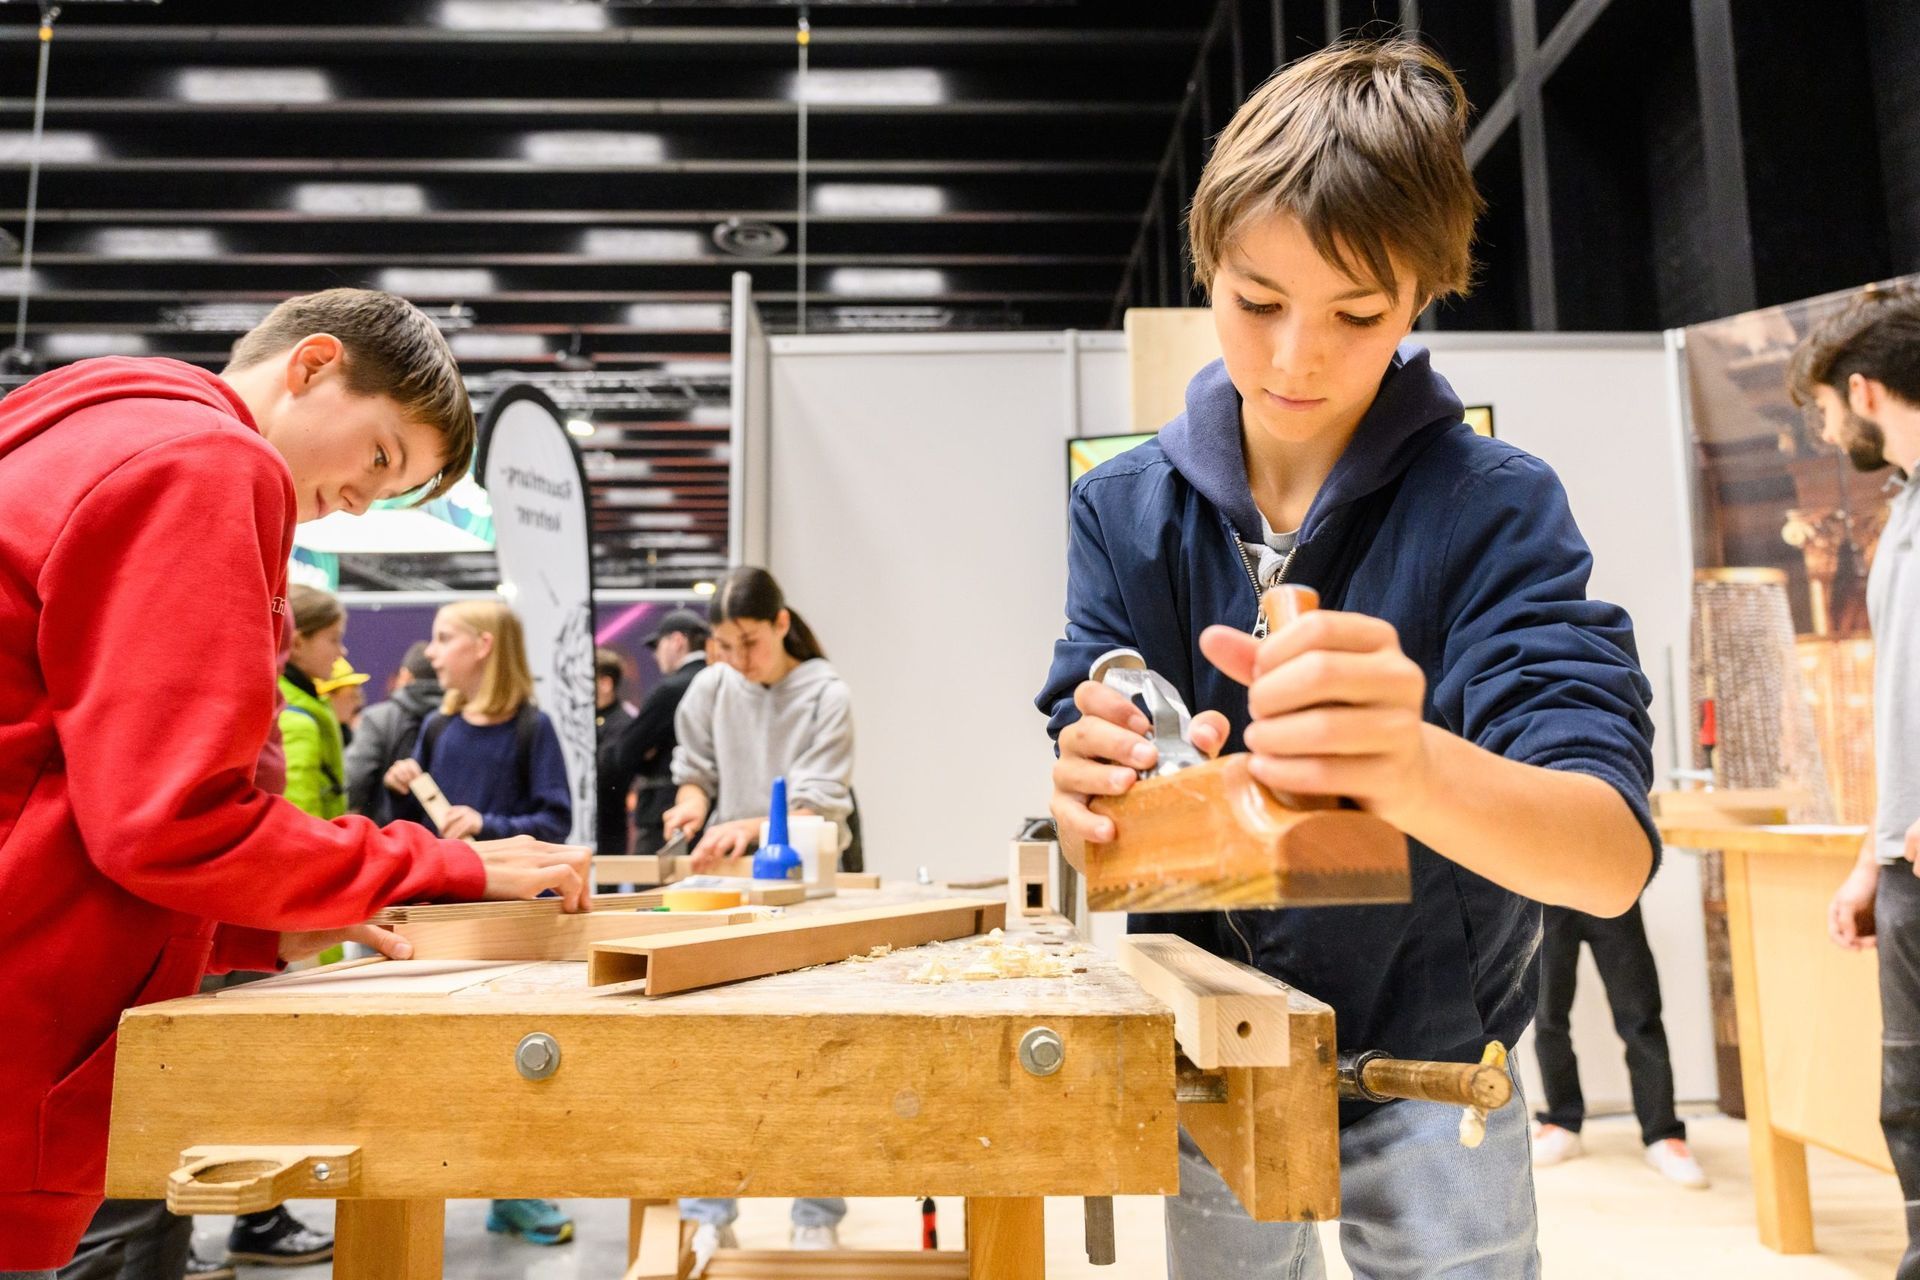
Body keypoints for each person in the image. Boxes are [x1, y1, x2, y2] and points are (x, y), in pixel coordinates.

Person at [1037, 41, 1657, 1279]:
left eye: (1357, 314)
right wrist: (1091, 786)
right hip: (1212, 1045)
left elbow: (1607, 860)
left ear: (1422, 293)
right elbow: (1085, 759)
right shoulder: (1123, 507)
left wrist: (1410, 766)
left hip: (1437, 1056)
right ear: (1204, 265)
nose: (1292, 360)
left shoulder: (1496, 507)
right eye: (1256, 301)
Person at [0, 287, 595, 1276]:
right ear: (313, 365)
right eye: (379, 456)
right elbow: (170, 822)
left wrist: (269, 923)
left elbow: (72, 786)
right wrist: (434, 869)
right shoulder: (207, 461)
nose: (364, 499)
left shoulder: (89, 429)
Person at [664, 568, 853, 1272]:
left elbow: (816, 804)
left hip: (812, 883)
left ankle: (817, 1214)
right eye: (723, 645)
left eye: (748, 642)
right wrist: (690, 803)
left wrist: (745, 827)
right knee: (709, 1053)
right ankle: (707, 1214)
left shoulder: (825, 692)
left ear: (780, 624)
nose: (739, 661)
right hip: (729, 881)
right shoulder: (712, 687)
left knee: (820, 1051)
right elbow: (696, 768)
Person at [382, 599, 575, 1246]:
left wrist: (487, 827)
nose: (431, 653)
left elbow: (555, 824)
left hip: (511, 930)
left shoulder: (532, 729)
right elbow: (406, 828)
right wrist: (399, 786)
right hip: (441, 923)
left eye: (443, 638)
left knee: (514, 1059)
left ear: (484, 645)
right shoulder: (437, 729)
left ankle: (515, 1188)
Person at [1814, 290, 1920, 1279]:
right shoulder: (1901, 518)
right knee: (1909, 1087)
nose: (1830, 430)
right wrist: (1870, 852)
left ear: (1864, 389)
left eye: (1827, 410)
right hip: (1906, 866)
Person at [1529, 904, 1707, 1188]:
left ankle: (1663, 1134)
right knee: (1547, 1017)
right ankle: (1562, 1121)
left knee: (1640, 1018)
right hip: (1546, 889)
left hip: (1610, 882)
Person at [607, 608, 711, 859]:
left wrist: (648, 758)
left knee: (653, 895)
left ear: (677, 641)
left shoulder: (669, 690)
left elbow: (626, 752)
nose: (655, 656)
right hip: (712, 816)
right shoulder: (723, 683)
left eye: (658, 645)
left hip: (663, 817)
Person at [346, 642, 444, 824]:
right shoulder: (459, 719)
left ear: (405, 676)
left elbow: (354, 783)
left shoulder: (377, 718)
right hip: (450, 837)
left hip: (387, 836)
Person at [279, 587, 351, 823]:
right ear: (298, 643)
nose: (341, 651)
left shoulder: (289, 705)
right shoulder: (296, 723)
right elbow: (299, 823)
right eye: (334, 639)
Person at [593, 646, 637, 856]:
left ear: (605, 683)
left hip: (607, 822)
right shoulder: (578, 720)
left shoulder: (624, 722)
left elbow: (608, 773)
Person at [318, 656, 369, 747]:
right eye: (353, 697)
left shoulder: (348, 735)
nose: (359, 703)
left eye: (359, 696)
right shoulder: (311, 734)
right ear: (327, 697)